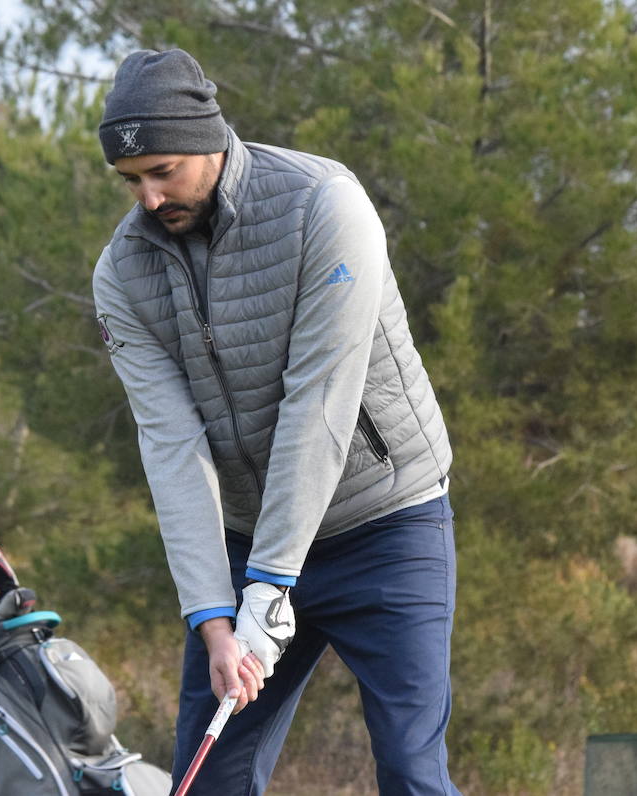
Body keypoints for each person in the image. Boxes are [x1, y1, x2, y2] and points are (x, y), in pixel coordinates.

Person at [92, 48, 459, 795]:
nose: (149, 199)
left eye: (163, 171)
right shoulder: (122, 274)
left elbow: (319, 404)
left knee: (410, 771)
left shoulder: (326, 206)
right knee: (212, 781)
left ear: (209, 140)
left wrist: (269, 585)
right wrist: (214, 620)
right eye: (131, 180)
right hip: (247, 539)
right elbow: (171, 447)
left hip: (386, 525)